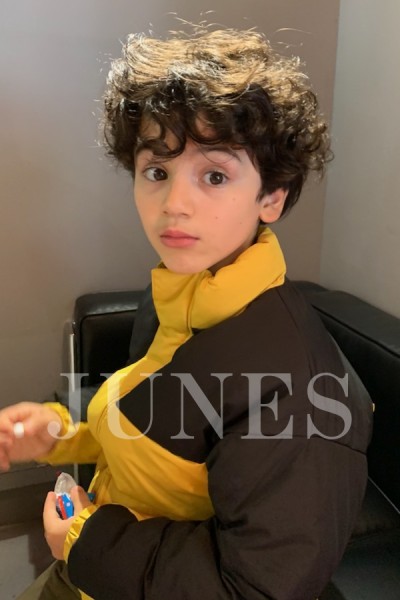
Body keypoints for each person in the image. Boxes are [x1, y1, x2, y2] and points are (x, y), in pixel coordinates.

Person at [0, 27, 373, 600]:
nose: (174, 203)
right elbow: (153, 427)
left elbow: (255, 588)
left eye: (215, 176)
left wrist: (83, 539)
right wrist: (60, 434)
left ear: (272, 196)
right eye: (157, 172)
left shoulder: (302, 391)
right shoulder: (175, 295)